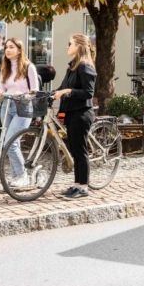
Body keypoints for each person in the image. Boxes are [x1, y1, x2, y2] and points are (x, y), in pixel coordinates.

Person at [53, 33, 97, 199]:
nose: (67, 46)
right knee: (74, 149)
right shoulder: (72, 66)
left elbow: (88, 92)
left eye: (69, 43)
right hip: (72, 112)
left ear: (78, 46)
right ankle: (77, 184)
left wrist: (68, 91)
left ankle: (83, 187)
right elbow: (63, 86)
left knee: (80, 150)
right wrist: (52, 93)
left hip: (82, 113)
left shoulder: (85, 66)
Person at [0, 38, 39, 188]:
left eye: (11, 47)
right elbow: (2, 88)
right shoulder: (5, 68)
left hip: (23, 106)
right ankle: (16, 177)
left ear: (19, 50)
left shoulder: (28, 67)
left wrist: (24, 96)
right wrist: (0, 92)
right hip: (7, 105)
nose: (8, 50)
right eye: (6, 47)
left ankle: (22, 176)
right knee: (9, 143)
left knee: (10, 142)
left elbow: (35, 90)